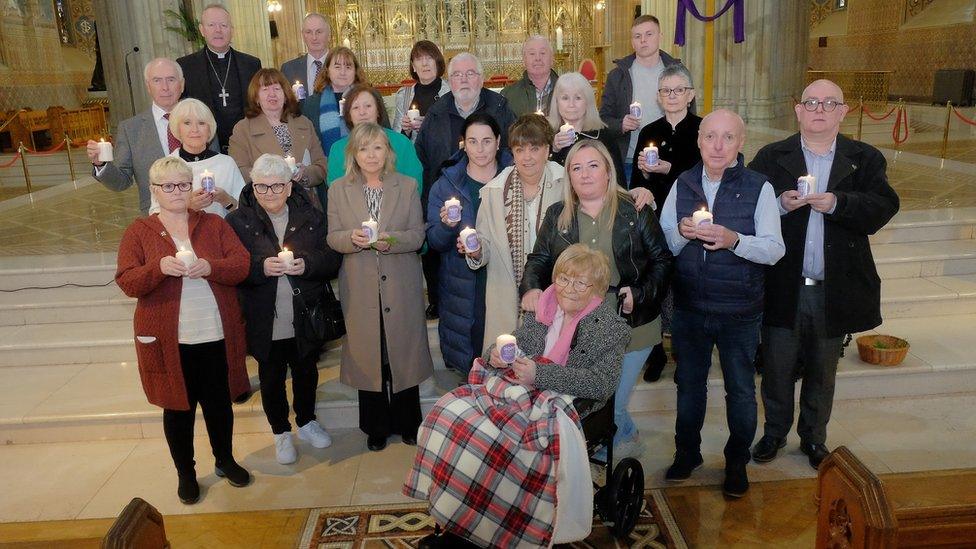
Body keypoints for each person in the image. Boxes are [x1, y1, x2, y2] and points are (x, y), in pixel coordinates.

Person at [405, 244, 630, 547]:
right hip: (521, 391)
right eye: (563, 278)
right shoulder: (543, 310)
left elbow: (601, 384)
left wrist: (541, 374)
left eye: (580, 282)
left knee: (496, 443)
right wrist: (495, 355)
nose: (569, 288)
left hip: (568, 403)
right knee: (450, 414)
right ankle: (460, 518)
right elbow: (510, 345)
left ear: (597, 288)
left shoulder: (611, 329)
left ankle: (488, 533)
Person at [748, 80, 899, 470]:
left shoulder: (863, 158)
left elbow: (883, 205)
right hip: (784, 284)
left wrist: (839, 202)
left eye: (829, 103)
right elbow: (745, 204)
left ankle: (814, 439)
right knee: (777, 367)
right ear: (798, 110)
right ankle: (775, 433)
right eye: (812, 102)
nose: (819, 108)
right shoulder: (771, 156)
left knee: (823, 370)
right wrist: (778, 205)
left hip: (833, 287)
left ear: (842, 111)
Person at [659, 109, 785, 498]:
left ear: (740, 143)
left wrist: (735, 240)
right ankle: (687, 453)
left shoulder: (759, 186)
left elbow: (774, 249)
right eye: (710, 136)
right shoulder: (682, 183)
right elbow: (667, 242)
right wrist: (681, 232)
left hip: (739, 310)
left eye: (727, 137)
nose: (717, 145)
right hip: (690, 306)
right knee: (689, 387)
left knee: (741, 391)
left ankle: (736, 462)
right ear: (698, 140)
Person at [521, 140, 673, 462]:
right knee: (582, 399)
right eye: (576, 168)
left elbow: (662, 260)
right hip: (577, 328)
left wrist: (640, 293)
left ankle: (619, 443)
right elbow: (539, 258)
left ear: (608, 171)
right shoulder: (558, 214)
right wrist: (532, 288)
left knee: (610, 401)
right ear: (569, 177)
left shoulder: (633, 210)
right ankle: (595, 445)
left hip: (632, 322)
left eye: (593, 166)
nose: (585, 174)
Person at [115, 156, 252, 505]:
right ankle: (186, 474)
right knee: (178, 409)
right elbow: (127, 281)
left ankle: (225, 459)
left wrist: (211, 266)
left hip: (215, 332)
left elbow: (241, 265)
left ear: (191, 187)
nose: (176, 192)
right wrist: (158, 268)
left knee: (219, 403)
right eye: (167, 186)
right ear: (154, 190)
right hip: (169, 340)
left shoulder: (213, 225)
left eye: (182, 184)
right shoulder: (140, 231)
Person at [227, 154, 341, 465]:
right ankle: (280, 432)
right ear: (253, 186)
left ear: (289, 187)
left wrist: (309, 264)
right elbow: (233, 267)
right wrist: (260, 267)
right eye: (262, 187)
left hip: (304, 312)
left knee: (306, 371)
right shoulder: (239, 221)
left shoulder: (311, 216)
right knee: (272, 377)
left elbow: (332, 257)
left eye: (277, 186)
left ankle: (306, 422)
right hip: (265, 317)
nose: (269, 193)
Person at [326, 123, 433, 452]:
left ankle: (408, 422)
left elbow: (417, 236)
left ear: (388, 152)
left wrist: (392, 241)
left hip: (400, 280)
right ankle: (375, 425)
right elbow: (332, 237)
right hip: (359, 284)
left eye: (377, 148)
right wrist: (352, 239)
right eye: (363, 149)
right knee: (369, 352)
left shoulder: (407, 185)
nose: (371, 155)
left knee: (401, 350)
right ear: (353, 155)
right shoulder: (338, 189)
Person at [415, 52, 516, 319]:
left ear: (482, 79)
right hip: (452, 209)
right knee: (457, 296)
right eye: (457, 75)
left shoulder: (501, 108)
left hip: (497, 204)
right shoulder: (436, 113)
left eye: (470, 73)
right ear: (449, 80)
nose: (464, 80)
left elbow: (514, 152)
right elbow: (424, 159)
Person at [465, 114, 565, 353]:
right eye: (520, 149)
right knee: (510, 371)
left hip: (558, 293)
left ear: (547, 150)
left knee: (553, 366)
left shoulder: (566, 182)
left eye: (534, 148)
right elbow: (485, 244)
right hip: (508, 297)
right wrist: (477, 249)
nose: (527, 157)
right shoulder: (494, 191)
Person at [629, 64, 702, 383]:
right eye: (665, 91)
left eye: (678, 90)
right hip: (654, 222)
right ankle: (655, 352)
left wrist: (669, 169)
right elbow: (635, 180)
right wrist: (644, 176)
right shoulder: (649, 132)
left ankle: (685, 355)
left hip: (692, 221)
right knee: (655, 287)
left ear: (691, 94)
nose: (671, 96)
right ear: (658, 97)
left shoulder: (702, 130)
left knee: (686, 290)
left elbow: (705, 176)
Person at [426, 114, 512, 375]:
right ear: (463, 143)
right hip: (463, 286)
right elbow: (435, 242)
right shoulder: (446, 185)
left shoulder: (514, 179)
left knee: (507, 364)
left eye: (487, 141)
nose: (480, 149)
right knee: (472, 362)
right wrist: (447, 226)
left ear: (498, 142)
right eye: (473, 141)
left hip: (504, 278)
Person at [87, 58, 211, 215]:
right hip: (156, 218)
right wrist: (101, 164)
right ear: (148, 86)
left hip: (204, 213)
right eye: (157, 80)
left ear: (182, 84)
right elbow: (121, 182)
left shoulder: (202, 122)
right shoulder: (131, 129)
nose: (165, 87)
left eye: (171, 80)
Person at [599, 14, 691, 183]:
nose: (643, 40)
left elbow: (690, 117)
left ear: (660, 37)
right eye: (637, 36)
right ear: (632, 42)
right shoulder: (618, 75)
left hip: (669, 159)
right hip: (629, 160)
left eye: (649, 34)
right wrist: (621, 124)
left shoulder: (678, 72)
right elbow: (603, 118)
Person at [228, 68, 328, 202]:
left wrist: (304, 173)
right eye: (265, 90)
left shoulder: (304, 123)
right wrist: (272, 179)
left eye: (276, 88)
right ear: (256, 97)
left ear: (286, 95)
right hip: (264, 205)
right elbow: (238, 171)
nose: (272, 94)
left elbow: (321, 166)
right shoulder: (243, 129)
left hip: (305, 204)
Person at [177, 4, 261, 153]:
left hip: (248, 145)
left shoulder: (251, 64)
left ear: (232, 31)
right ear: (202, 30)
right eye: (211, 25)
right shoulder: (186, 66)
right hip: (205, 147)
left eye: (223, 25)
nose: (218, 30)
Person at [150, 98, 246, 218]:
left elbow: (245, 212)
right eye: (187, 123)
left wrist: (226, 200)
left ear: (210, 128)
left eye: (201, 123)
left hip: (220, 233)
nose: (195, 130)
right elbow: (155, 215)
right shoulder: (165, 167)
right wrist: (188, 207)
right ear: (177, 128)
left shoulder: (226, 163)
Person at [302, 46, 367, 207]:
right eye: (337, 66)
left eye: (348, 66)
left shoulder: (368, 98)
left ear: (355, 71)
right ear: (327, 70)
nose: (343, 72)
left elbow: (383, 131)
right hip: (327, 176)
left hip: (366, 171)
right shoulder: (312, 103)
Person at [325, 84, 422, 189]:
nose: (362, 112)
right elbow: (335, 190)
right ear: (349, 115)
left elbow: (415, 185)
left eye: (368, 106)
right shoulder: (338, 149)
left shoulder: (401, 143)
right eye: (356, 107)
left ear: (378, 111)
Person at [548, 71, 626, 187]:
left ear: (588, 102)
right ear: (556, 102)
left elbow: (618, 182)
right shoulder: (547, 136)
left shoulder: (604, 136)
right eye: (565, 98)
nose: (571, 104)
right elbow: (543, 180)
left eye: (578, 98)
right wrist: (554, 150)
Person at [393, 40, 450, 143]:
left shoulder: (452, 92)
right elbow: (397, 141)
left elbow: (461, 130)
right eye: (419, 59)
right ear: (413, 66)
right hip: (414, 156)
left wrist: (430, 127)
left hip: (445, 156)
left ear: (437, 62)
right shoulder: (404, 95)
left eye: (429, 58)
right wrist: (406, 131)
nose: (424, 64)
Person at [501, 35, 558, 117]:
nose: (538, 58)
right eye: (532, 53)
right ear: (524, 60)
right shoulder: (508, 95)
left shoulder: (567, 91)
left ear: (552, 59)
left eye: (542, 53)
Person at [281, 13, 331, 94]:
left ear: (329, 34)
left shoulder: (341, 67)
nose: (314, 37)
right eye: (308, 32)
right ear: (303, 36)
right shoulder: (288, 69)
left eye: (319, 32)